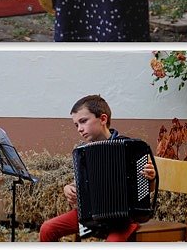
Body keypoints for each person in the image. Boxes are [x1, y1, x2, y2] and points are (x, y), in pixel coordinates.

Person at [39, 95, 156, 241]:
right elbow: (82, 183)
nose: (80, 129)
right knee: (48, 228)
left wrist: (150, 177)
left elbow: (149, 188)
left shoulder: (132, 149)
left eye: (83, 121)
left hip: (125, 219)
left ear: (103, 119)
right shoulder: (82, 152)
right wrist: (69, 188)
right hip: (92, 215)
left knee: (113, 242)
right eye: (76, 125)